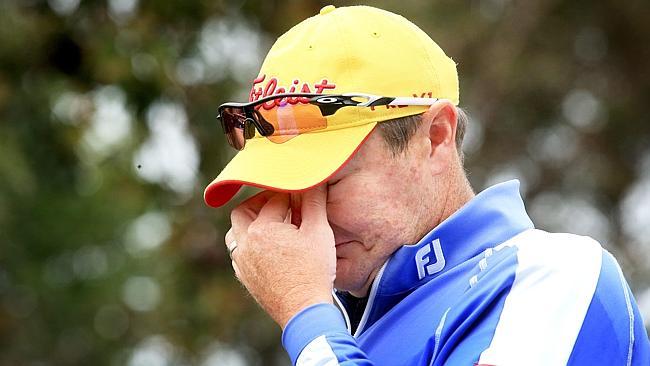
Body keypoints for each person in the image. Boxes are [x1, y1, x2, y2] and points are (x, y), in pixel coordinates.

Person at [204, 5, 650, 365]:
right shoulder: (343, 332)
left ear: (435, 138)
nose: (307, 222)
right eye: (284, 188)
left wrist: (304, 312)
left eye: (330, 182)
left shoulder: (554, 274)